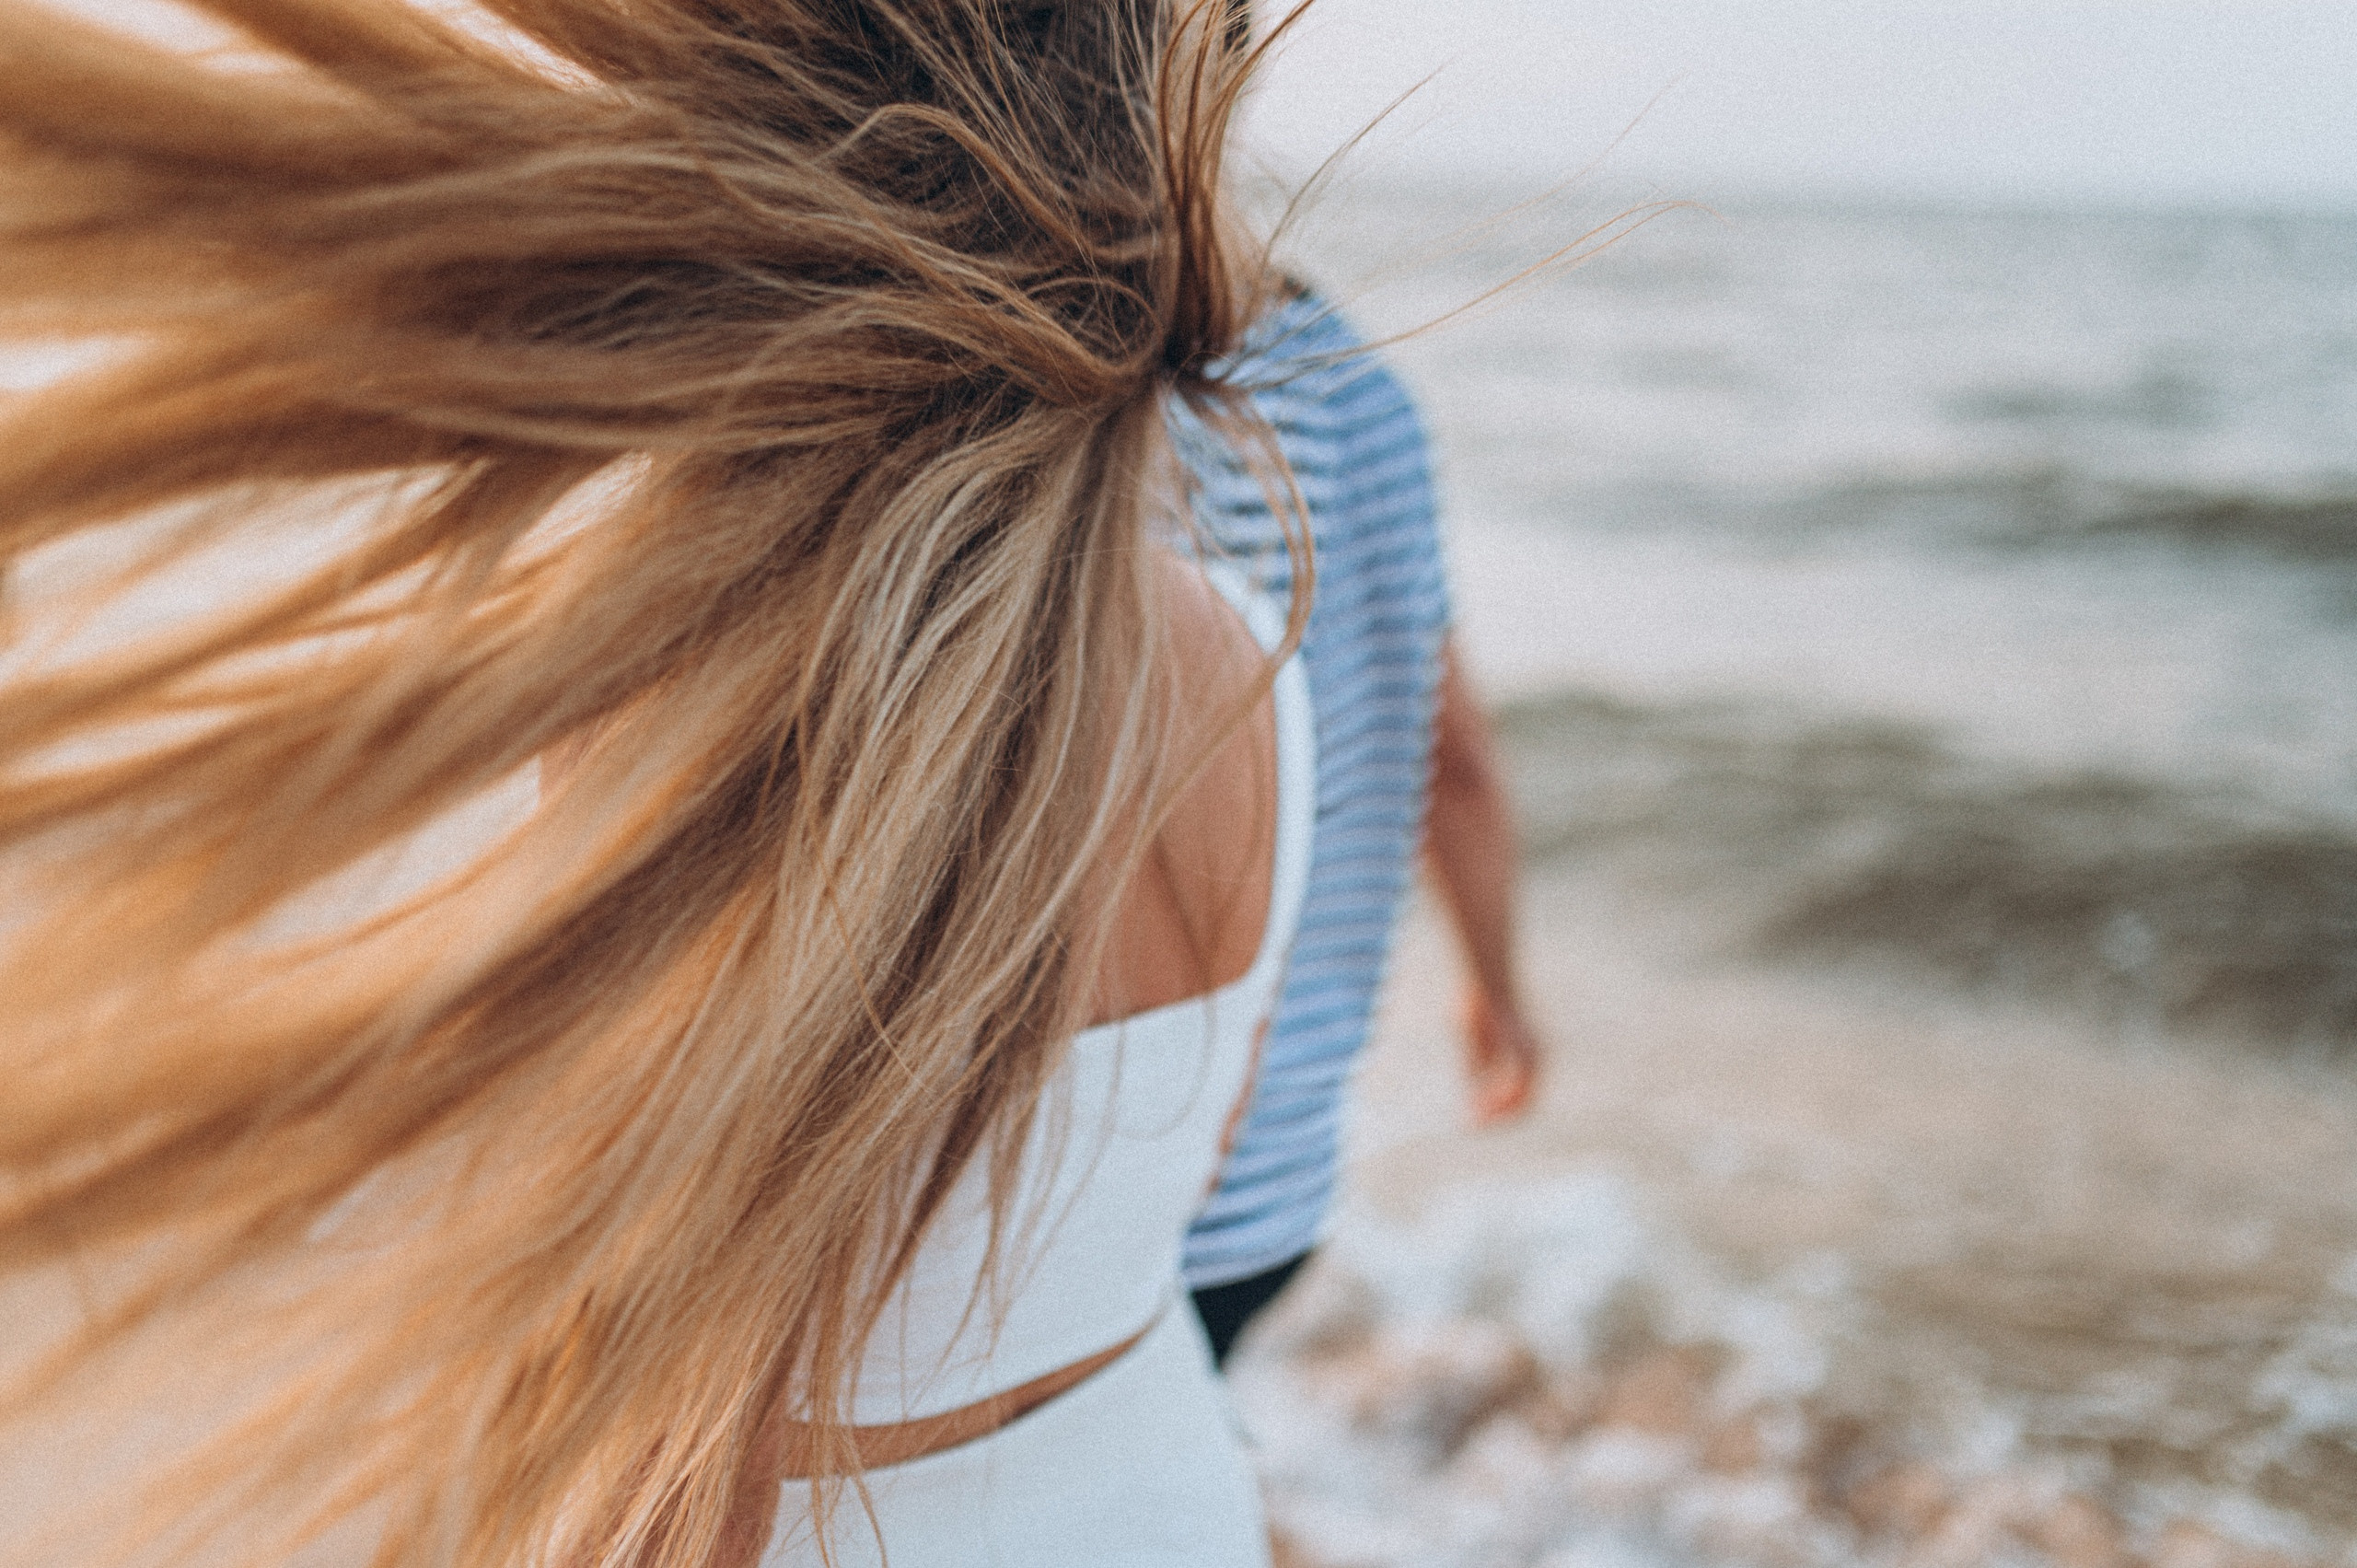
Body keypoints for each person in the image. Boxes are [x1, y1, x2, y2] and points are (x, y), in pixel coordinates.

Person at [0, 3, 1310, 1565]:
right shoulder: (1249, 660)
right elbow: (1199, 1150)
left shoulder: (633, 676)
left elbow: (624, 1382)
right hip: (1152, 1498)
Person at [1173, 287, 1545, 1364]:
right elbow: (1456, 754)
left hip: (1121, 1178)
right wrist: (1496, 986)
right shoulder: (1366, 389)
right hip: (1278, 1182)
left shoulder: (1144, 392)